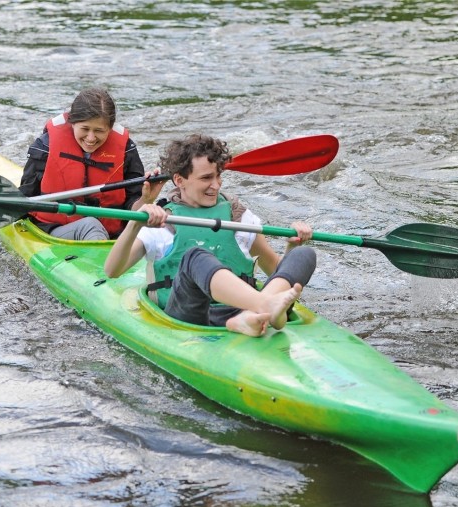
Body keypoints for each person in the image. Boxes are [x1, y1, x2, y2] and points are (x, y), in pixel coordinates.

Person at [104, 134, 317, 337]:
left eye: (218, 176)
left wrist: (292, 247)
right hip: (194, 317)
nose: (215, 185)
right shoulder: (163, 222)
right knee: (195, 255)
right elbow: (112, 270)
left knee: (304, 255)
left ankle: (252, 315)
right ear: (179, 180)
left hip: (242, 310)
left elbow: (275, 272)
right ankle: (263, 307)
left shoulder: (238, 216)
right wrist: (135, 223)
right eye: (206, 178)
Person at [18, 87, 152, 240]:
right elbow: (27, 196)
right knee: (90, 225)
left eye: (99, 131)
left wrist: (145, 201)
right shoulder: (45, 147)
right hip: (55, 230)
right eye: (85, 129)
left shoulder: (126, 151)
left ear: (110, 128)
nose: (91, 138)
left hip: (112, 233)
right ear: (72, 123)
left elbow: (133, 209)